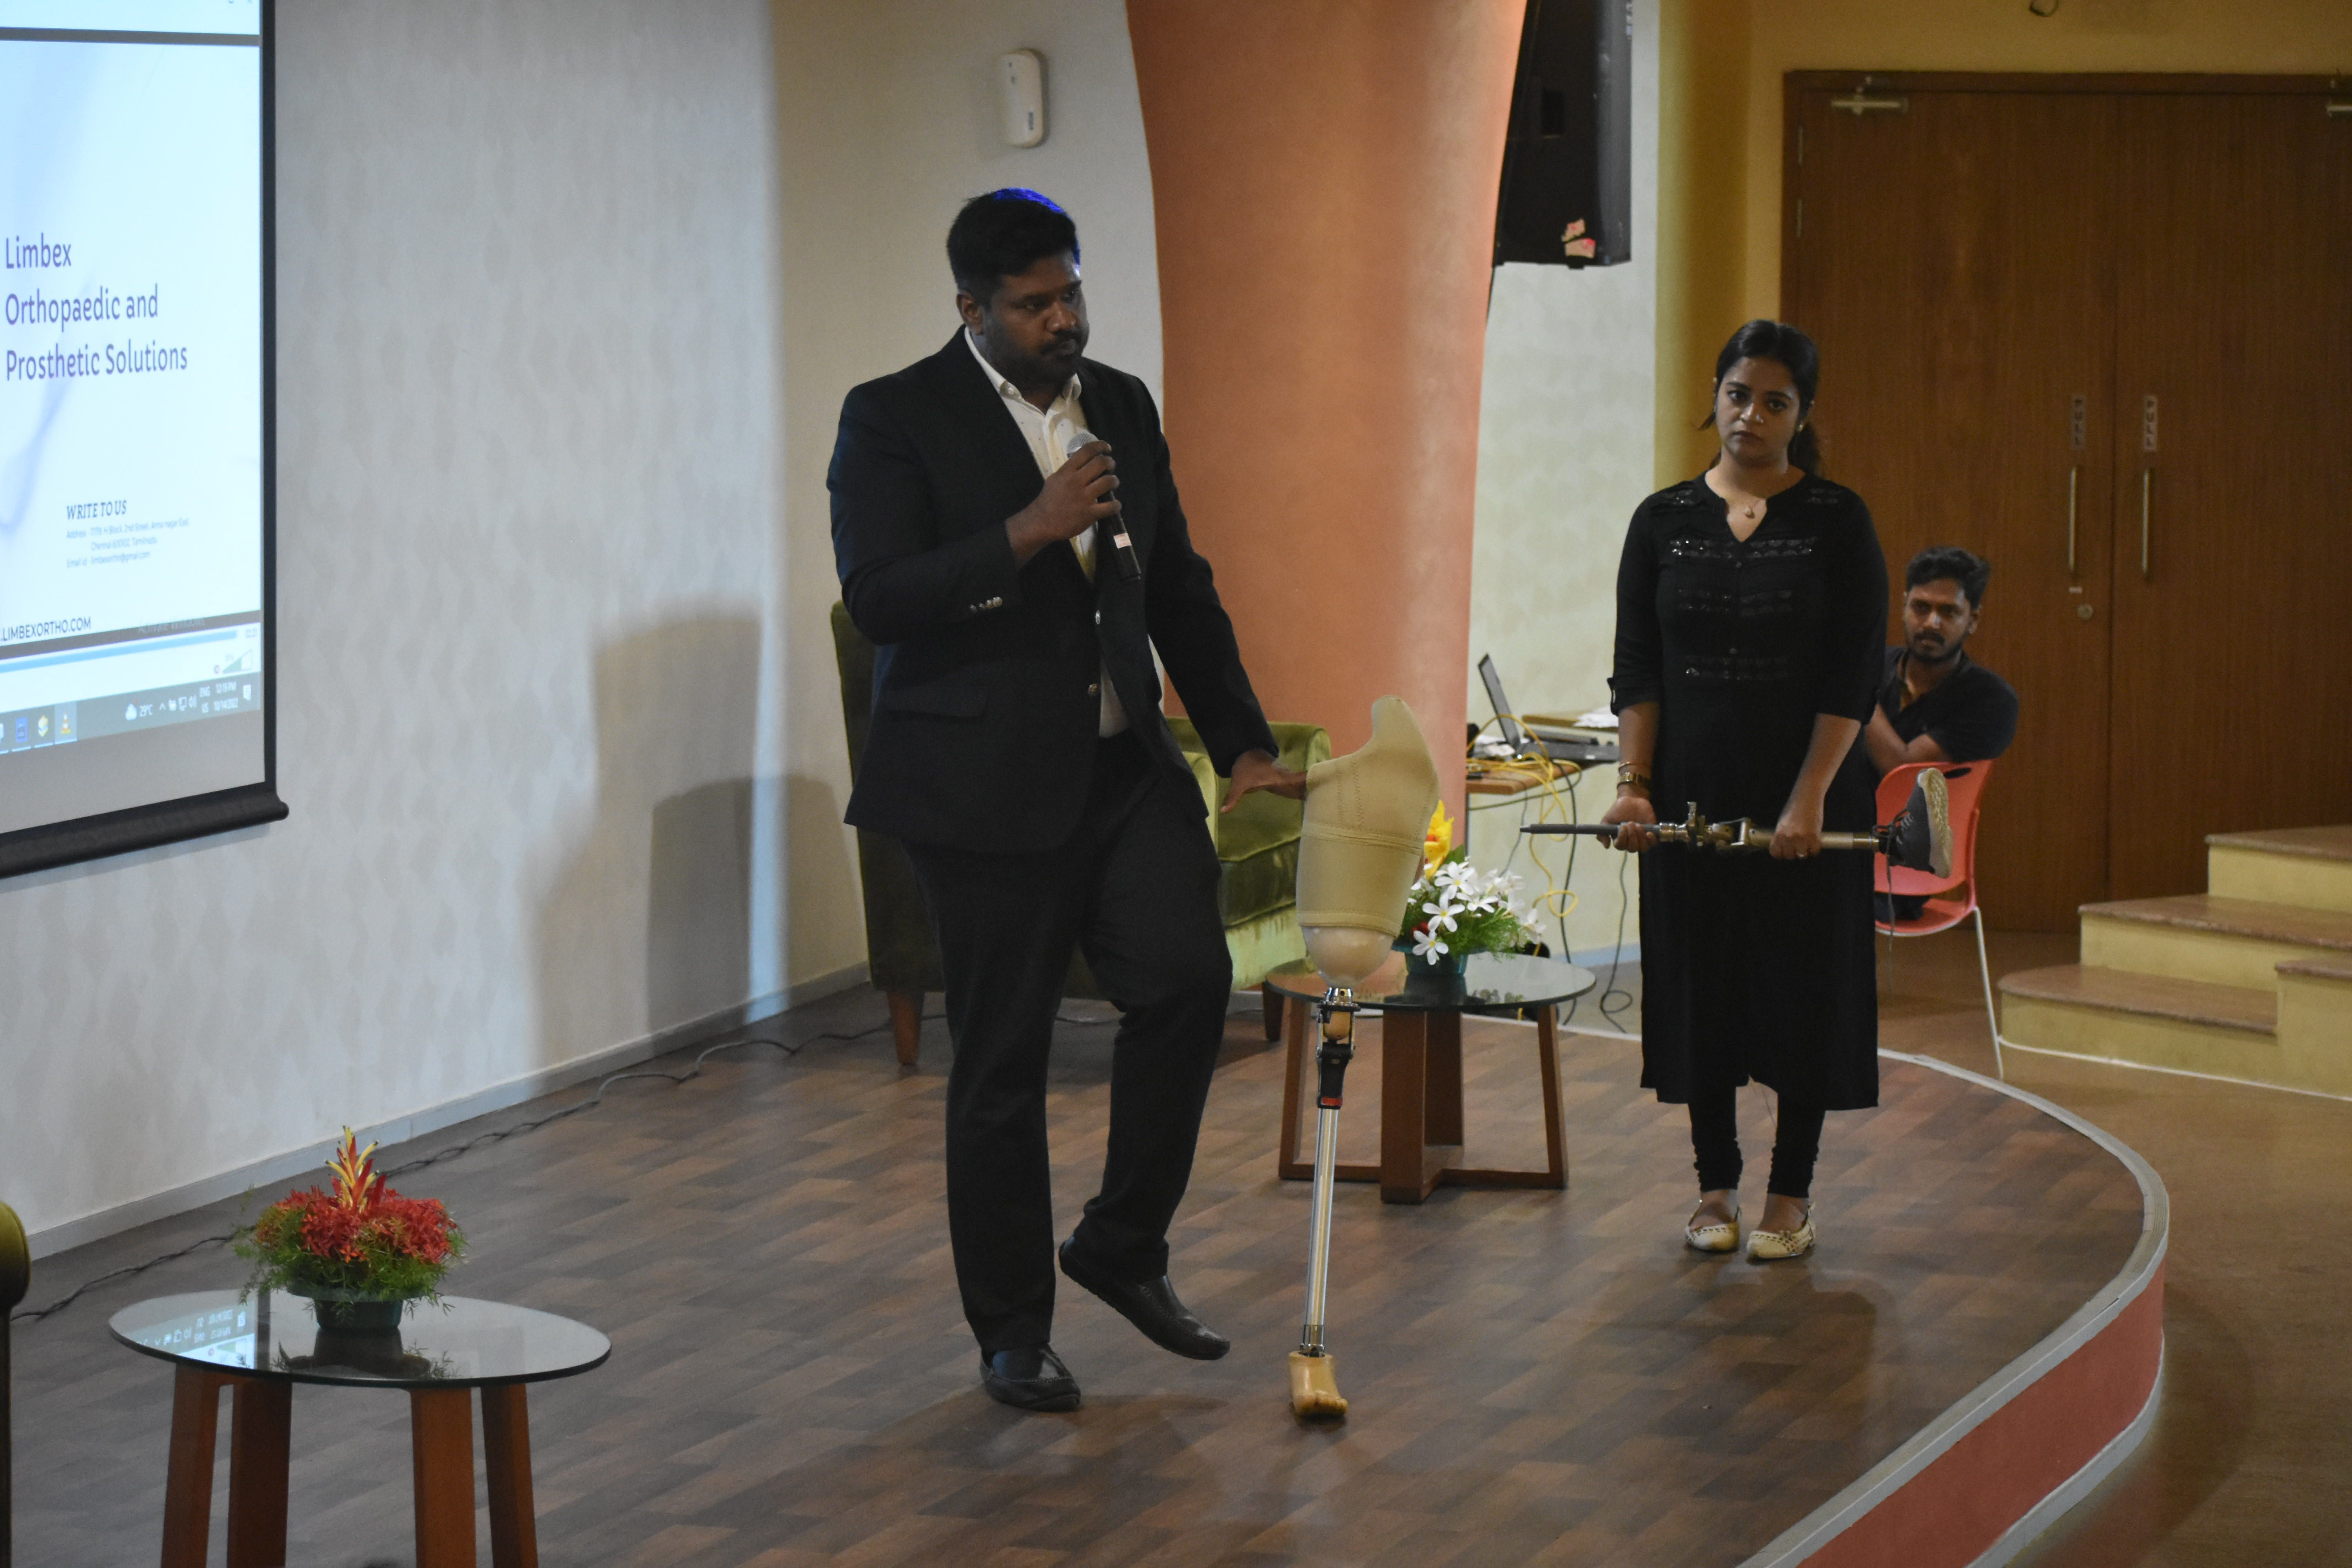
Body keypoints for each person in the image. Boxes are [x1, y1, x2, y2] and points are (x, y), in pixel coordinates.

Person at [829, 189, 1303, 1413]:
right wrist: (1028, 531)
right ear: (971, 308)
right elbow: (879, 595)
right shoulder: (893, 417)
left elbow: (1177, 584)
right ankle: (1011, 1332)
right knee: (1003, 1061)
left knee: (1187, 983)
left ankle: (1121, 1245)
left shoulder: (1122, 405)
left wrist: (1242, 744)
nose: (1064, 319)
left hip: (1120, 771)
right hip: (978, 791)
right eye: (1034, 304)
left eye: (1072, 292)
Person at [1600, 319, 1887, 1264]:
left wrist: (1809, 798)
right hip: (1690, 795)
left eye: (1774, 401)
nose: (1750, 415)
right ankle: (1713, 1186)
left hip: (1810, 797)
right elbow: (1638, 669)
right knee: (1704, 986)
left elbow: (1851, 676)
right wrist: (1635, 788)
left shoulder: (1838, 519)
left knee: (1803, 989)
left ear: (1803, 414)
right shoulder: (1661, 520)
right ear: (1715, 396)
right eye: (1737, 394)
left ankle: (1790, 1194)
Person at [1867, 548, 2018, 916]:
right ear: (1904, 606)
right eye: (1921, 607)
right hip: (1832, 842)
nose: (1932, 623)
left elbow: (1901, 772)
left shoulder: (1991, 699)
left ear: (1973, 620)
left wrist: (1848, 694)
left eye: (1948, 612)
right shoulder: (1873, 668)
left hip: (1904, 867)